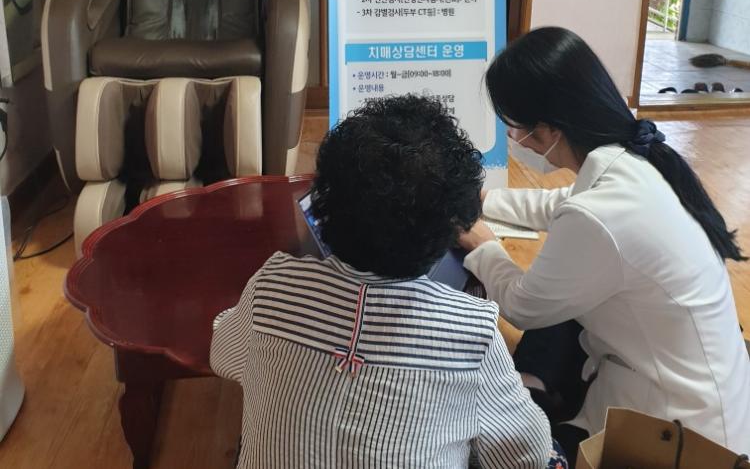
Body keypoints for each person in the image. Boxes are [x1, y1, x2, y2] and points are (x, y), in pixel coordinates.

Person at [210, 95, 566, 468]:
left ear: (325, 203)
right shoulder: (473, 331)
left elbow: (224, 356)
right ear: (450, 228)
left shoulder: (272, 285)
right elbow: (525, 455)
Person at [459, 26, 750, 463]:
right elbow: (559, 204)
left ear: (548, 130)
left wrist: (481, 243)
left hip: (679, 435)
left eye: (515, 127)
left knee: (505, 435)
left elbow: (523, 305)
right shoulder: (633, 159)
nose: (513, 139)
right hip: (686, 385)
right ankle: (537, 385)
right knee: (560, 310)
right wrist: (484, 201)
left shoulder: (600, 213)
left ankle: (534, 389)